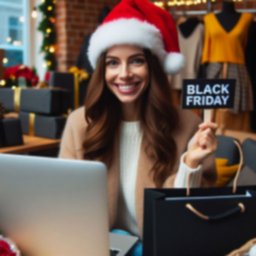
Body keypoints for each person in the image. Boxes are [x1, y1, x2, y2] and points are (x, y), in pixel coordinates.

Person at [59, 0, 217, 255]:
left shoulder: (188, 125)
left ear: (153, 67)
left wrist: (190, 165)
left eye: (136, 61)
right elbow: (63, 198)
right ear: (102, 68)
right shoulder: (80, 123)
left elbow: (192, 215)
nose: (124, 74)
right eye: (113, 63)